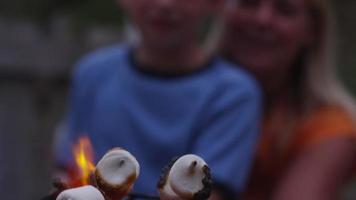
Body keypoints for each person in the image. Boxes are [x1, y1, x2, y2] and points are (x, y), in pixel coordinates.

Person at [54, 0, 262, 197]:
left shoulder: (233, 94)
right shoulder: (91, 76)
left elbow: (211, 193)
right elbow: (69, 173)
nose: (165, 3)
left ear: (216, 3)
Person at [221, 0, 356, 199]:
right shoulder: (186, 95)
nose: (262, 20)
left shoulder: (330, 127)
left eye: (285, 11)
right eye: (249, 4)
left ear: (313, 30)